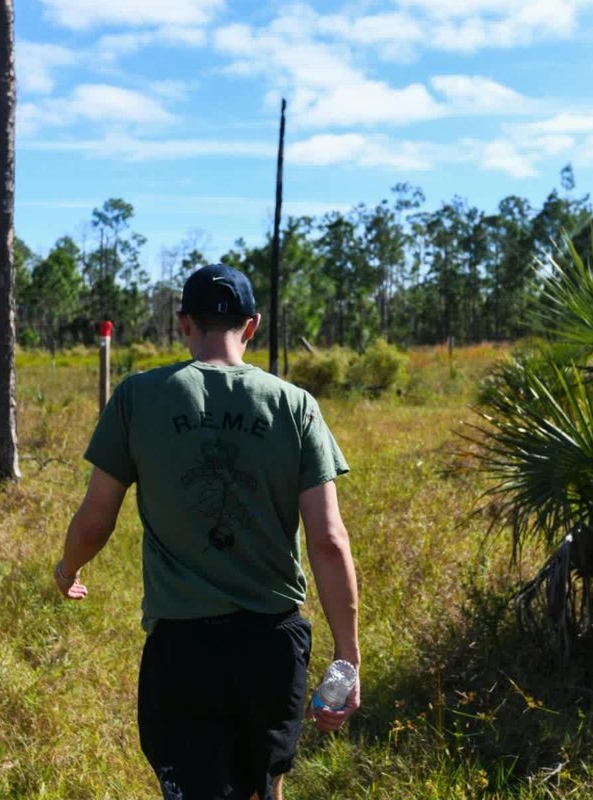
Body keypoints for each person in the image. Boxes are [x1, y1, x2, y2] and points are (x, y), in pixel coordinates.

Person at [54, 263, 360, 800]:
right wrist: (346, 659)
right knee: (264, 788)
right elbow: (329, 541)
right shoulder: (295, 405)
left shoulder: (138, 397)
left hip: (183, 649)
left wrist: (68, 568)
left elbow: (96, 519)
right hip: (272, 645)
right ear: (252, 326)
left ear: (183, 324)